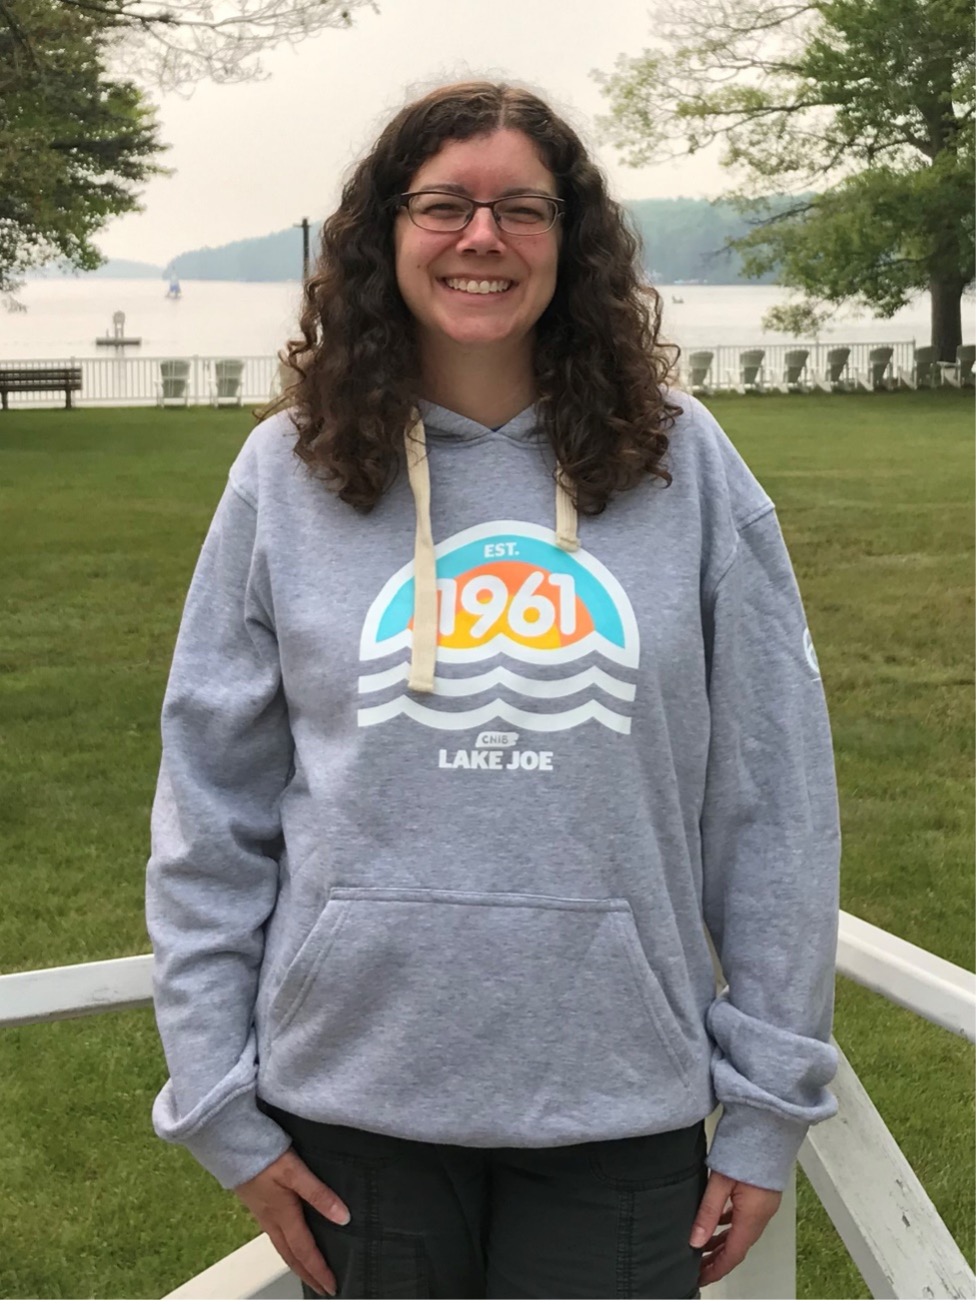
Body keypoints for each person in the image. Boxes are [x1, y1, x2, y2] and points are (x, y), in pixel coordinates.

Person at [146, 80, 841, 1300]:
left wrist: (767, 1103)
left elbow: (774, 801)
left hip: (618, 1102)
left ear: (569, 246)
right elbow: (211, 798)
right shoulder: (285, 471)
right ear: (384, 234)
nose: (482, 238)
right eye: (444, 206)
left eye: (522, 208)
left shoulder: (684, 464)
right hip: (352, 1102)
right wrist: (214, 1092)